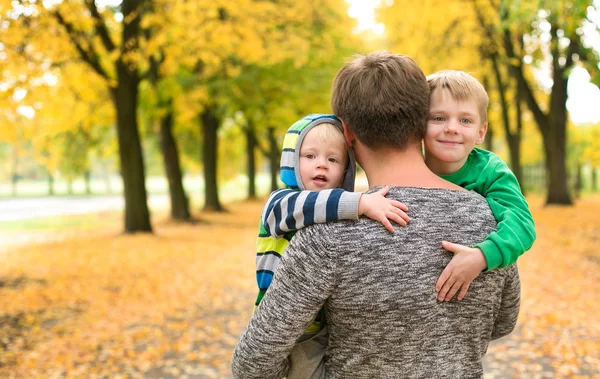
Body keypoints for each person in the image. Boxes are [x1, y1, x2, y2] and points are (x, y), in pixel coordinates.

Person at [232, 51, 521, 378]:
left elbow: (252, 363)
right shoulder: (489, 219)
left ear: (347, 133)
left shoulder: (328, 235)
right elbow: (503, 321)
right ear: (421, 119)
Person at [261, 71, 536, 305]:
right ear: (418, 126)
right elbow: (503, 319)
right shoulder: (481, 217)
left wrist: (481, 256)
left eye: (465, 120)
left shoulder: (492, 177)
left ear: (481, 131)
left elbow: (522, 223)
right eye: (438, 118)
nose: (452, 128)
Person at [255, 114, 409, 379]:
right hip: (292, 327)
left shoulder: (332, 211)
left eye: (333, 159)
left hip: (325, 323)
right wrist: (360, 203)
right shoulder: (280, 202)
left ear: (346, 171)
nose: (321, 166)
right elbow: (306, 207)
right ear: (291, 160)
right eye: (310, 156)